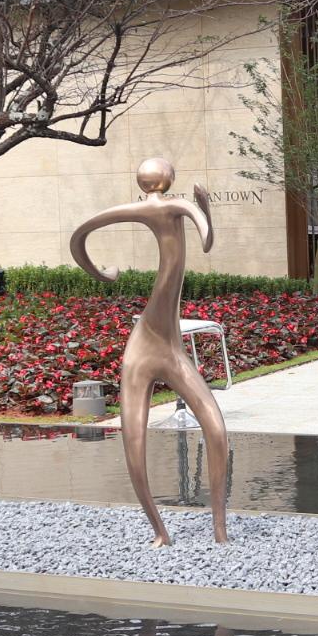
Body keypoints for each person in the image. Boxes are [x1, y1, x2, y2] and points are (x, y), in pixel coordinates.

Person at [70, 158, 232, 546]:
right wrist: (203, 209)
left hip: (165, 349)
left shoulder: (159, 207)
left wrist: (100, 273)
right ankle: (170, 531)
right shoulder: (178, 205)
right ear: (167, 178)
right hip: (143, 349)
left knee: (212, 429)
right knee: (141, 439)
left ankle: (215, 529)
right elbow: (207, 240)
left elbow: (79, 238)